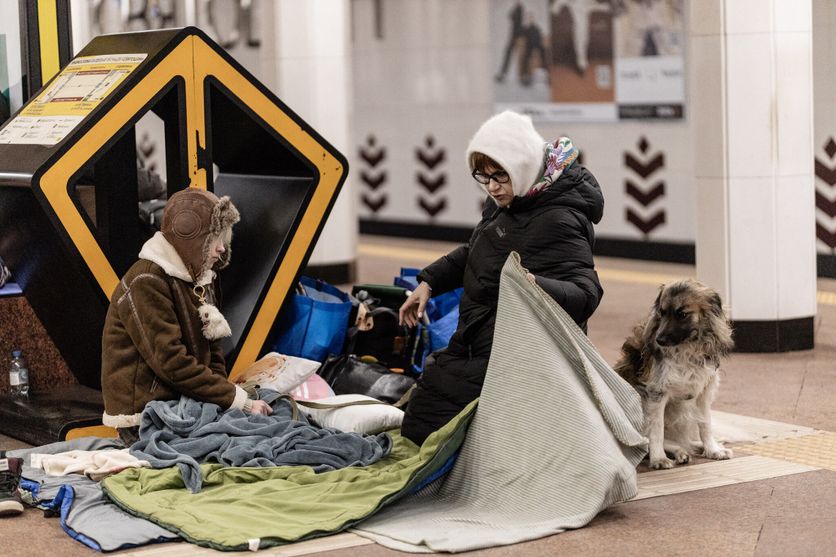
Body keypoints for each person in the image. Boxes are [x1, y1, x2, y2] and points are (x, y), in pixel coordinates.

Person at [398, 111, 604, 445]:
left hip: (519, 356)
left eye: (501, 176)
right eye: (483, 176)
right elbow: (478, 251)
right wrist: (429, 282)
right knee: (419, 428)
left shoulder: (559, 218)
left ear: (522, 167)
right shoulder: (510, 203)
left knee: (425, 431)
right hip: (478, 341)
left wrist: (534, 286)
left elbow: (586, 293)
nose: (492, 187)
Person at [101, 188, 271, 446]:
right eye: (214, 239)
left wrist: (226, 400)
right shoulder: (146, 281)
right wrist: (237, 401)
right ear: (192, 238)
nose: (221, 249)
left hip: (182, 402)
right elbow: (171, 364)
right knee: (245, 443)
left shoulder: (198, 277)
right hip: (146, 417)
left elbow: (213, 354)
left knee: (266, 426)